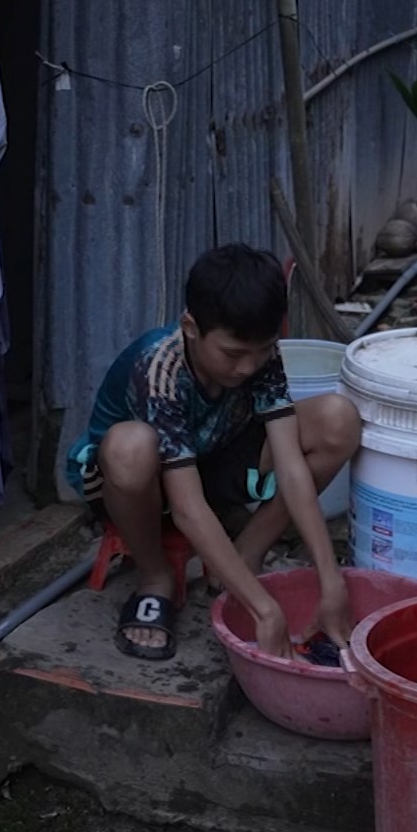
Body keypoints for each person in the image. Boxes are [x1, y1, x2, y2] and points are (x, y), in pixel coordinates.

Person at [66, 243, 361, 663]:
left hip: (212, 456)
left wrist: (330, 579)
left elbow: (292, 466)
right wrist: (265, 609)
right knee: (130, 448)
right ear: (191, 327)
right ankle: (155, 577)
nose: (248, 367)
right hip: (136, 483)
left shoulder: (261, 357)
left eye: (262, 350)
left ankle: (247, 553)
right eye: (233, 354)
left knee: (338, 418)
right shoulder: (159, 366)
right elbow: (187, 508)